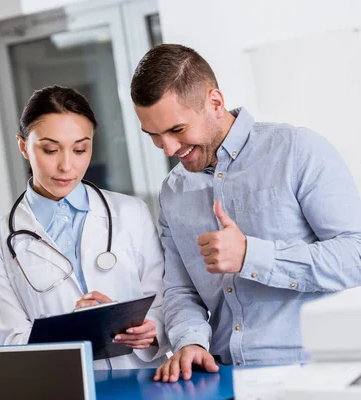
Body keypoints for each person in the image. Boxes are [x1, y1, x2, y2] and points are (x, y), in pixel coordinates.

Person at [130, 44, 361, 382]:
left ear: (215, 102)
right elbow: (181, 291)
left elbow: (355, 253)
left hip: (316, 375)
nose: (168, 149)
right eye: (154, 135)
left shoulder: (297, 150)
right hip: (224, 377)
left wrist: (252, 256)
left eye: (177, 130)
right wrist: (190, 340)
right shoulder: (173, 191)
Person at [0, 85, 169, 369]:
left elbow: (164, 301)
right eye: (50, 149)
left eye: (80, 149)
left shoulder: (131, 213)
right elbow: (11, 339)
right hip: (61, 385)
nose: (67, 165)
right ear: (23, 146)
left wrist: (151, 329)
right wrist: (74, 329)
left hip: (140, 383)